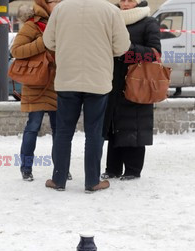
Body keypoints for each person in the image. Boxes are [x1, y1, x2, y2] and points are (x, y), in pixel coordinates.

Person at [42, 0, 130, 192]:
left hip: (67, 79)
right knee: (94, 132)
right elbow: (122, 46)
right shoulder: (110, 10)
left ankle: (59, 179)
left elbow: (48, 41)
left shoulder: (60, 9)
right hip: (97, 79)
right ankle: (92, 181)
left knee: (64, 131)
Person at [102, 0, 161, 181]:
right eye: (122, 0)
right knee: (113, 125)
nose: (125, 4)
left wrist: (127, 51)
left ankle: (133, 170)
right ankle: (112, 168)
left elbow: (154, 54)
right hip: (111, 81)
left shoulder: (148, 22)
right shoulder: (111, 19)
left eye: (129, 0)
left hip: (138, 83)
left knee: (135, 125)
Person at [10, 0, 60, 181]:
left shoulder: (64, 22)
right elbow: (16, 50)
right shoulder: (33, 24)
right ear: (45, 4)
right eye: (55, 1)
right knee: (33, 127)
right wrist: (42, 42)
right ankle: (26, 167)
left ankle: (61, 168)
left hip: (57, 83)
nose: (59, 3)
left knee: (59, 130)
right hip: (36, 84)